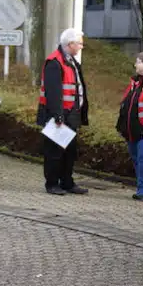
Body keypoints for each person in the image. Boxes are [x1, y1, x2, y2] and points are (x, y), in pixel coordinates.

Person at [37, 28, 89, 196]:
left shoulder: (71, 61)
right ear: (70, 44)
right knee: (54, 152)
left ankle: (67, 181)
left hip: (71, 114)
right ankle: (52, 183)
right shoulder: (54, 62)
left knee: (70, 151)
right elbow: (53, 92)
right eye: (80, 43)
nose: (81, 46)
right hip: (59, 115)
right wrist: (57, 114)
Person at [116, 51, 143, 202]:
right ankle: (142, 188)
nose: (135, 64)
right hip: (131, 129)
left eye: (138, 62)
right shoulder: (136, 82)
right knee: (137, 158)